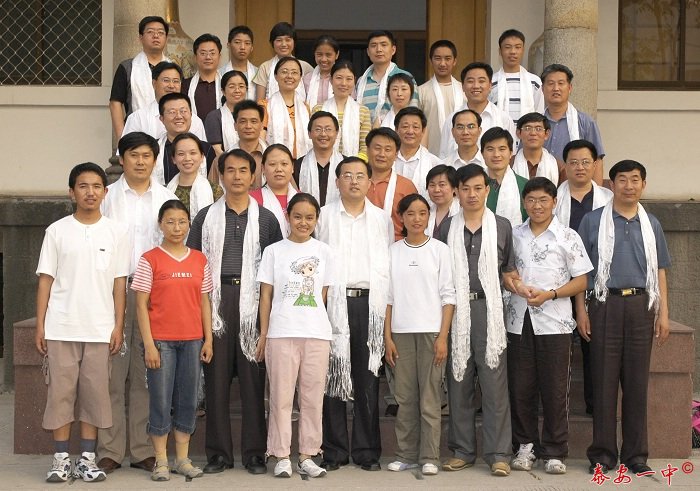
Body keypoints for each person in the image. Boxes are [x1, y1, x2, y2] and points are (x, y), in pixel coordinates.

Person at [187, 149, 283, 475]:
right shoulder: (205, 217)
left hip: (254, 302)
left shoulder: (267, 219)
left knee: (253, 381)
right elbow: (194, 263)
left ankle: (255, 454)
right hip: (216, 301)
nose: (237, 176)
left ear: (254, 176)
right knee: (216, 381)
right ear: (221, 175)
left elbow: (275, 270)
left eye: (244, 170)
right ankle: (218, 455)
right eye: (231, 170)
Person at [36, 163, 129, 483]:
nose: (90, 192)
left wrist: (118, 326)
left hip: (100, 329)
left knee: (94, 395)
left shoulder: (117, 232)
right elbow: (45, 280)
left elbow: (119, 283)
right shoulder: (57, 231)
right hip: (61, 326)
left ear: (105, 192)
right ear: (71, 192)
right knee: (60, 394)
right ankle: (61, 459)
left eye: (96, 186)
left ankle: (87, 460)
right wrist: (41, 326)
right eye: (83, 186)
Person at [577, 160, 671, 476]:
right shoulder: (592, 221)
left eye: (634, 180)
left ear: (643, 184)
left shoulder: (651, 223)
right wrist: (581, 311)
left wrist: (663, 313)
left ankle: (636, 455)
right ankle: (602, 455)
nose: (628, 186)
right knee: (603, 382)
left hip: (641, 306)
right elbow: (581, 272)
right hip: (604, 304)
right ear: (611, 184)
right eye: (622, 179)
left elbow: (660, 270)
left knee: (636, 383)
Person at [97, 132, 177, 475]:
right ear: (122, 158)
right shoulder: (107, 196)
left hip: (155, 292)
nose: (140, 161)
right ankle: (110, 449)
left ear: (155, 160)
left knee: (147, 373)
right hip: (113, 289)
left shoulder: (166, 198)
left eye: (146, 155)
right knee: (112, 373)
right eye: (133, 155)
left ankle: (144, 449)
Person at [506, 177, 592, 475]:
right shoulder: (514, 235)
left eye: (543, 200)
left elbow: (582, 280)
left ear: (554, 202)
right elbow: (505, 272)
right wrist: (516, 286)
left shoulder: (567, 236)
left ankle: (555, 451)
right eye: (531, 200)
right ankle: (525, 446)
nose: (537, 205)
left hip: (556, 323)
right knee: (521, 388)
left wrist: (551, 294)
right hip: (518, 321)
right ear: (524, 203)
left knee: (555, 390)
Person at [436, 163, 517, 477]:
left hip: (489, 311)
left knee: (495, 385)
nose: (472, 194)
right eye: (465, 188)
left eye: (478, 188)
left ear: (488, 189)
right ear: (457, 192)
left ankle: (499, 454)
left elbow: (508, 270)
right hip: (456, 312)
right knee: (459, 382)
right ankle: (462, 451)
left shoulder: (503, 226)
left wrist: (522, 287)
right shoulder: (447, 228)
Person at [317, 156, 393, 472]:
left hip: (368, 305)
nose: (353, 181)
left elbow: (387, 268)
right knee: (332, 375)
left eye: (360, 175)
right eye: (347, 175)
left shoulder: (381, 219)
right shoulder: (323, 216)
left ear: (369, 182)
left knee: (367, 378)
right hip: (331, 303)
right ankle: (334, 450)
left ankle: (366, 450)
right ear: (337, 182)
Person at [131, 200, 214, 481]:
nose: (176, 228)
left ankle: (182, 459)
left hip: (192, 341)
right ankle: (161, 461)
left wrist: (208, 339)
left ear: (189, 224)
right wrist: (149, 344)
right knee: (160, 400)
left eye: (181, 221)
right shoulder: (149, 259)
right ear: (160, 225)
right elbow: (141, 305)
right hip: (161, 343)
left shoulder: (199, 260)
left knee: (188, 400)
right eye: (170, 222)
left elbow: (204, 301)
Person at [257, 193, 335, 478]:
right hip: (281, 332)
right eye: (298, 216)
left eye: (310, 217)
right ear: (287, 217)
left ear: (317, 220)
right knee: (280, 397)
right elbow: (266, 295)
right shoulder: (273, 251)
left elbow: (323, 294)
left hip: (316, 334)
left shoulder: (325, 252)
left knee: (313, 398)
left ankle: (307, 454)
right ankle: (280, 455)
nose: (304, 222)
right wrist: (264, 333)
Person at [384, 193, 456, 476]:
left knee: (430, 398)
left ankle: (430, 456)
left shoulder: (439, 250)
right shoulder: (392, 251)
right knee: (404, 398)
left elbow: (448, 296)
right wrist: (387, 338)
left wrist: (443, 337)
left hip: (431, 333)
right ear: (401, 218)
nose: (417, 219)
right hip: (400, 333)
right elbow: (387, 298)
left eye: (422, 213)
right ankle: (406, 454)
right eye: (410, 213)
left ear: (429, 217)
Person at [554, 139, 613, 415]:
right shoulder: (553, 199)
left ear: (595, 165)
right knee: (558, 345)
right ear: (565, 166)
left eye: (585, 162)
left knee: (593, 344)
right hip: (558, 281)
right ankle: (555, 405)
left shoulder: (608, 199)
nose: (579, 167)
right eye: (574, 162)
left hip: (596, 281)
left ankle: (594, 404)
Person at [541, 64, 605, 185]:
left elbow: (597, 160)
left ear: (570, 88)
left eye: (561, 83)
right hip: (540, 188)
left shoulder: (585, 122)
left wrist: (597, 193)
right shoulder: (535, 124)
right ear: (542, 88)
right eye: (550, 83)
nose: (556, 88)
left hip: (575, 188)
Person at [110, 15, 169, 138]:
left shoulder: (173, 68)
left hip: (168, 133)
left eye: (160, 33)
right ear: (141, 38)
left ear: (166, 38)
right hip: (136, 133)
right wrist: (122, 137)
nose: (156, 36)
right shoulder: (127, 67)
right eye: (150, 32)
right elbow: (115, 103)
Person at [439, 62, 515, 159]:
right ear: (463, 86)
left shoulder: (504, 119)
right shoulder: (451, 119)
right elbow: (444, 156)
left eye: (481, 81)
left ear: (490, 85)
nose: (476, 86)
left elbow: (510, 156)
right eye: (470, 81)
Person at [121, 61, 207, 141]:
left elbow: (202, 150)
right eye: (166, 80)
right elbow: (126, 150)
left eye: (176, 81)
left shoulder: (194, 121)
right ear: (154, 83)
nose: (171, 85)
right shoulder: (138, 119)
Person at [365, 127, 418, 241]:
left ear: (396, 155)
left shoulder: (406, 186)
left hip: (396, 246)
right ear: (367, 150)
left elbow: (415, 224)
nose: (382, 154)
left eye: (388, 149)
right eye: (377, 148)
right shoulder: (355, 183)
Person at [356, 30, 419, 122]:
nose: (379, 49)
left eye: (384, 45)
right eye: (373, 45)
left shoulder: (406, 77)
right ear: (368, 52)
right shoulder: (361, 81)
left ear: (393, 50)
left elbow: (413, 111)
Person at [156, 92, 216, 184]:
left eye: (183, 111)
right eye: (172, 112)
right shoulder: (153, 148)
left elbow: (212, 183)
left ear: (191, 115)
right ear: (162, 118)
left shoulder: (205, 148)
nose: (179, 116)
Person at [418, 40, 465, 156]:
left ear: (454, 61)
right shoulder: (421, 91)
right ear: (431, 61)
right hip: (431, 154)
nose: (443, 63)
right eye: (438, 58)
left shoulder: (464, 90)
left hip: (461, 155)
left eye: (447, 59)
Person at [315, 60, 372, 156]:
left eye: (349, 79)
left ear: (354, 81)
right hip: (324, 162)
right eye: (339, 78)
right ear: (331, 80)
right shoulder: (318, 109)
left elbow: (365, 146)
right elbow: (315, 141)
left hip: (355, 163)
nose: (343, 83)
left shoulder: (363, 111)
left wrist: (354, 163)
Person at [489, 29, 544, 125]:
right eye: (507, 47)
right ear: (500, 51)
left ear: (523, 50)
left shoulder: (535, 82)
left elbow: (539, 113)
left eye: (517, 47)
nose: (513, 52)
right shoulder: (491, 82)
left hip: (527, 133)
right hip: (498, 133)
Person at [261, 57, 312, 159]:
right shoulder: (265, 106)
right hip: (275, 161)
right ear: (275, 76)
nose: (289, 76)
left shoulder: (305, 107)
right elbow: (261, 140)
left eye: (294, 72)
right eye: (284, 72)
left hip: (302, 161)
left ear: (300, 77)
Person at [167, 133, 223, 217]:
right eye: (181, 154)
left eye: (193, 153)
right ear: (173, 159)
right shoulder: (164, 191)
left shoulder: (215, 190)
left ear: (202, 157)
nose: (187, 158)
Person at [294, 111, 343, 206]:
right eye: (318, 129)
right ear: (309, 133)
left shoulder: (346, 165)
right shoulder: (297, 166)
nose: (323, 134)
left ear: (336, 133)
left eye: (328, 129)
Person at [253, 22, 313, 101]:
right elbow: (260, 102)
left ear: (294, 42)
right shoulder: (265, 67)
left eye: (288, 40)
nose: (284, 44)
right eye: (279, 40)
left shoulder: (305, 67)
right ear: (272, 43)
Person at [482, 127, 527, 226]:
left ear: (511, 153)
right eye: (490, 149)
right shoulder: (474, 185)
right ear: (482, 154)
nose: (496, 155)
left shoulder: (525, 185)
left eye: (502, 149)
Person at [393, 107, 441, 198]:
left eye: (415, 127)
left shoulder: (435, 163)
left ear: (423, 131)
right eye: (405, 126)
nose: (410, 131)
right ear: (396, 129)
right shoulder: (387, 160)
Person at [250, 144, 298, 234]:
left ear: (292, 167)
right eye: (272, 164)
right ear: (263, 168)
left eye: (284, 164)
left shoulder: (303, 199)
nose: (279, 169)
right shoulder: (251, 200)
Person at [204, 70, 249, 155]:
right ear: (223, 91)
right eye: (232, 87)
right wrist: (234, 161)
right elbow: (216, 150)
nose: (237, 90)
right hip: (225, 161)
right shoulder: (214, 117)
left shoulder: (253, 114)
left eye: (241, 86)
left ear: (246, 89)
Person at [182, 34, 223, 120]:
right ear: (195, 57)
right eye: (203, 53)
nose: (208, 57)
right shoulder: (185, 85)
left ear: (219, 57)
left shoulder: (227, 85)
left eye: (212, 53)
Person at [512, 112, 559, 184]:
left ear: (546, 134)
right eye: (527, 128)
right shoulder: (509, 164)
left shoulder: (559, 167)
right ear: (518, 133)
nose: (533, 133)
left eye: (538, 129)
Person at [219, 25, 257, 101]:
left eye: (247, 43)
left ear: (252, 48)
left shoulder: (258, 73)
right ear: (228, 45)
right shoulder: (219, 74)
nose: (242, 47)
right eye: (237, 42)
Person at [304, 35, 339, 108]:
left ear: (337, 55)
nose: (323, 59)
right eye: (319, 54)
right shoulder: (306, 79)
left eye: (328, 55)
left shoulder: (343, 79)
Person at [426, 164, 460, 237]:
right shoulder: (425, 210)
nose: (436, 190)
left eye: (442, 185)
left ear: (454, 188)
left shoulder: (463, 211)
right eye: (432, 185)